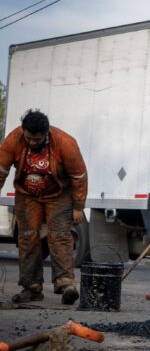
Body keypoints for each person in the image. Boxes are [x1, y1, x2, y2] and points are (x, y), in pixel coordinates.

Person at [0, 109, 88, 305]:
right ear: (23, 131)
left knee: (60, 235)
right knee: (27, 237)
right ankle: (31, 288)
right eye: (29, 138)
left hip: (59, 194)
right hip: (26, 194)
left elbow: (79, 176)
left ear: (46, 133)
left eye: (37, 139)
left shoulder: (66, 143)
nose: (32, 142)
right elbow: (1, 170)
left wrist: (78, 206)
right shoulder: (13, 140)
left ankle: (66, 284)